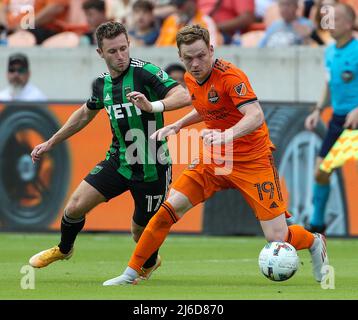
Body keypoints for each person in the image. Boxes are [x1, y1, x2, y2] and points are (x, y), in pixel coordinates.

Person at [102, 24, 329, 286]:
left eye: (200, 55)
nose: (195, 63)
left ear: (211, 49)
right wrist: (178, 125)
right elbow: (205, 106)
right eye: (188, 58)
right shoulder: (190, 78)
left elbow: (255, 115)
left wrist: (226, 135)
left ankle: (314, 241)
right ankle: (131, 273)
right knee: (166, 211)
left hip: (252, 160)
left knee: (277, 237)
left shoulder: (231, 77)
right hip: (214, 159)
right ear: (180, 57)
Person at [28, 21, 191, 280]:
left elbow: (183, 96)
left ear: (129, 45)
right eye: (113, 51)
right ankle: (64, 249)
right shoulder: (101, 85)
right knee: (74, 207)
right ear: (100, 53)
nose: (120, 55)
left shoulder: (145, 73)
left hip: (152, 166)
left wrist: (152, 106)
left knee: (140, 234)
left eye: (123, 48)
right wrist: (51, 142)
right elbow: (84, 115)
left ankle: (149, 262)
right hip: (119, 161)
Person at [304, 3, 358, 233]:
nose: (330, 23)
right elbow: (329, 84)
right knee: (321, 171)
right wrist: (317, 109)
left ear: (348, 23)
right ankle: (317, 224)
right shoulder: (330, 51)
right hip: (339, 119)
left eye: (335, 19)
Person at [156, 0, 222, 47]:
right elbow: (158, 47)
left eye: (181, 5)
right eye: (177, 5)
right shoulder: (170, 20)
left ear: (192, 2)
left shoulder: (205, 21)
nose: (179, 8)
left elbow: (212, 47)